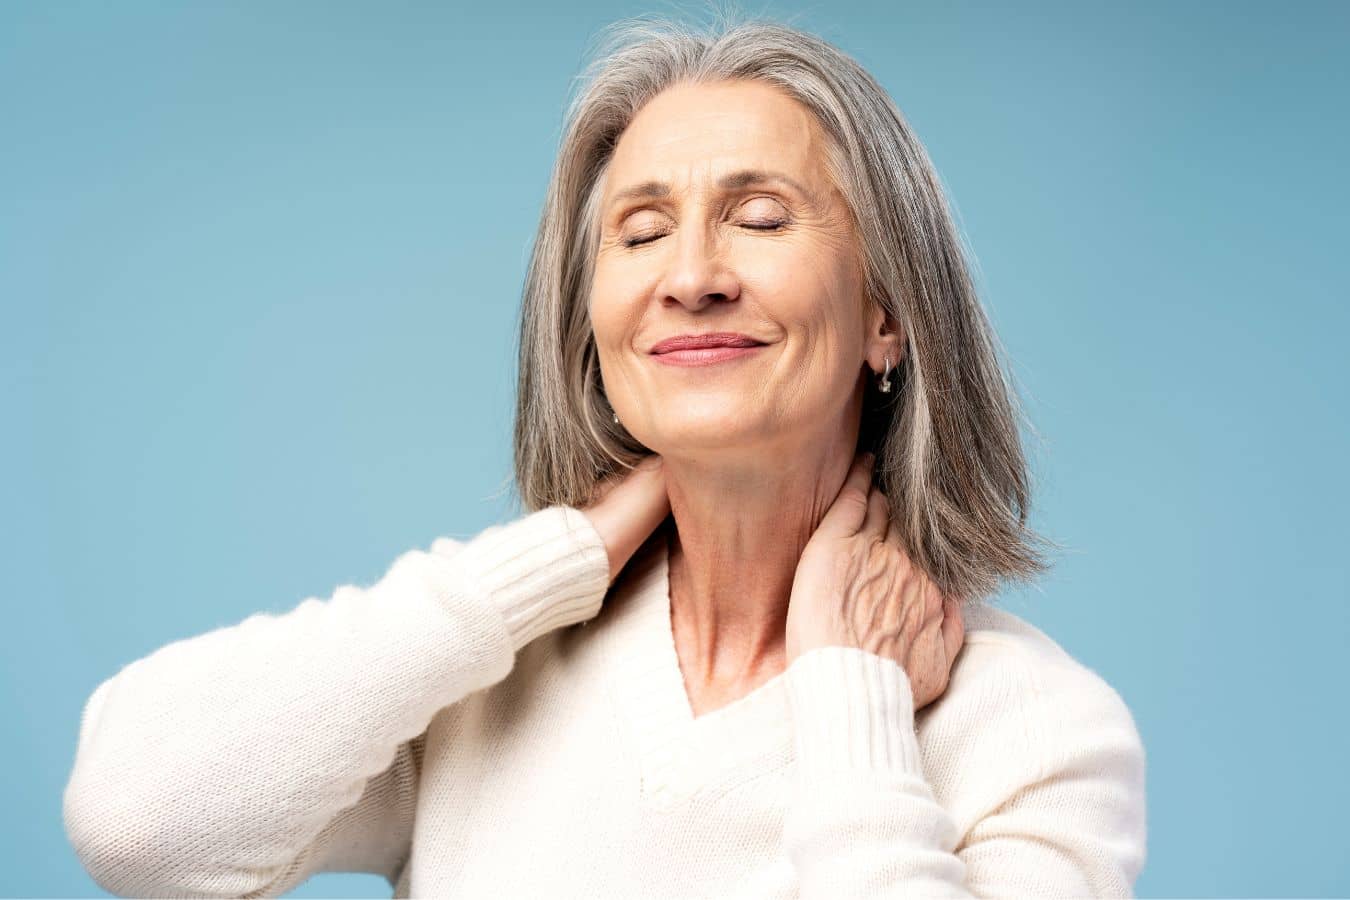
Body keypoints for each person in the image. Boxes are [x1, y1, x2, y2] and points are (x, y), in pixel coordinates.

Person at [62, 14, 1146, 899]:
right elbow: (138, 819)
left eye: (761, 218)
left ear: (886, 314)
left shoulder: (1036, 733)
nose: (692, 276)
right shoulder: (486, 680)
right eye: (639, 231)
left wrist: (852, 693)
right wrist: (543, 566)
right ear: (591, 322)